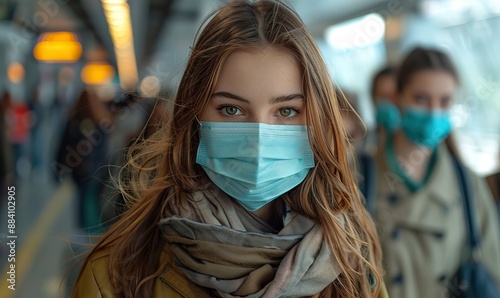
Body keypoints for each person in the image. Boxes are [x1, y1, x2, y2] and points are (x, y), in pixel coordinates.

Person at [72, 1, 387, 297]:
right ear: (193, 118)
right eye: (231, 110)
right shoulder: (117, 275)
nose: (259, 137)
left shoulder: (354, 260)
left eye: (287, 111)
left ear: (318, 123)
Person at [370, 46, 500, 298]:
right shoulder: (360, 176)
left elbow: (493, 266)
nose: (433, 112)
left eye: (444, 101)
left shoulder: (467, 183)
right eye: (421, 98)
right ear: (398, 99)